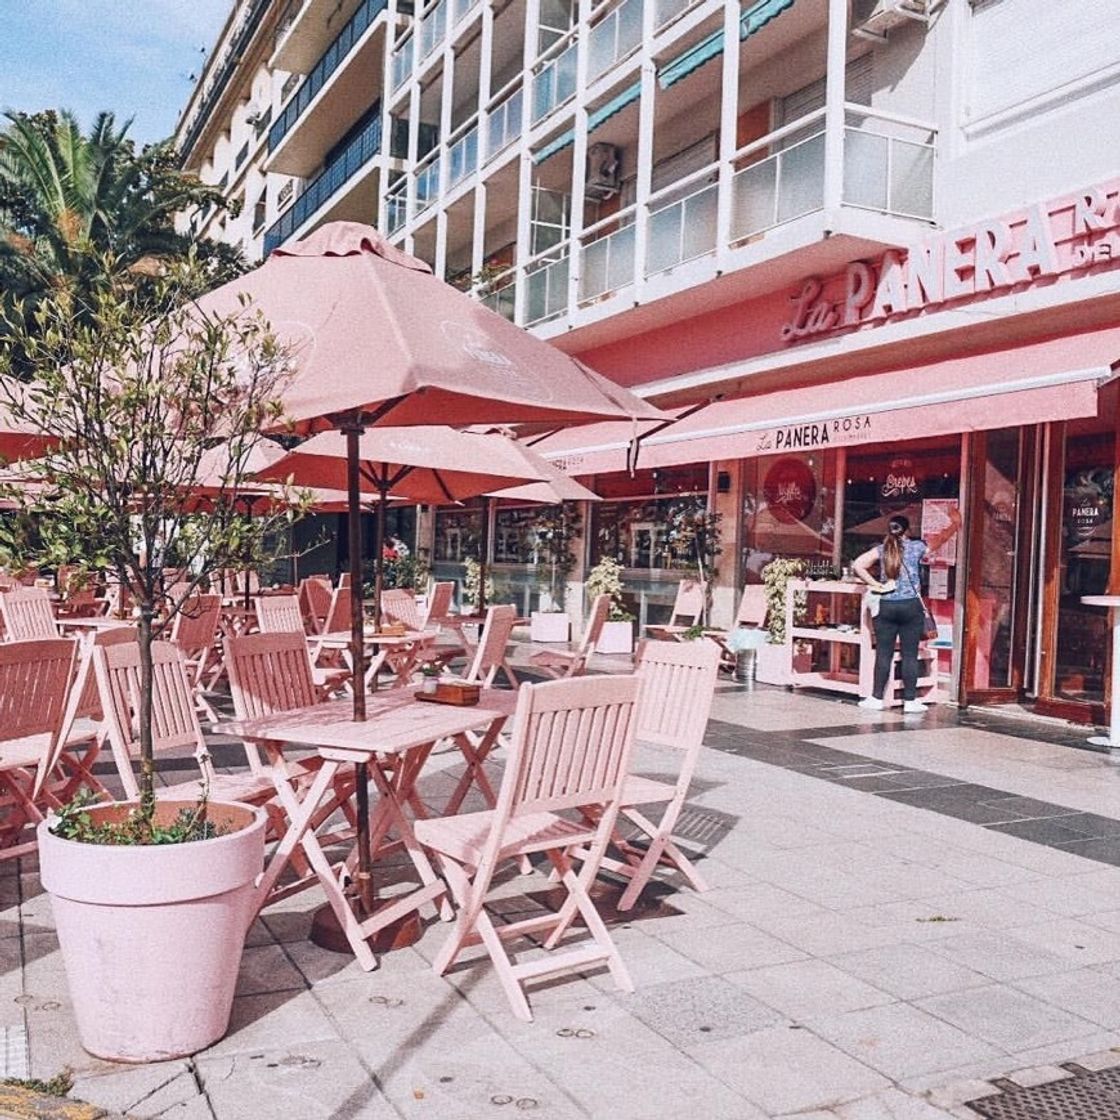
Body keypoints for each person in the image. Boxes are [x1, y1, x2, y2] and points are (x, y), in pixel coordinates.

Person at [852, 506, 962, 714]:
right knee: (909, 654)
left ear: (890, 530)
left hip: (887, 606)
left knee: (884, 653)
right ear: (907, 531)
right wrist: (955, 523)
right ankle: (910, 701)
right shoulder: (916, 547)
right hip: (911, 606)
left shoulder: (882, 549)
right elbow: (941, 539)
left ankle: (876, 698)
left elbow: (858, 564)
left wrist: (877, 585)